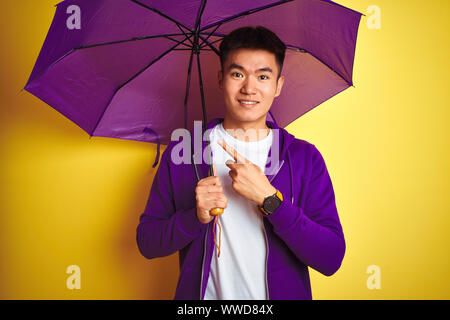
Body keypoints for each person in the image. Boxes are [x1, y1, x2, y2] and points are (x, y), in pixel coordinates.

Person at [136, 26, 345, 300]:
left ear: (278, 85)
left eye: (262, 76)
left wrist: (271, 201)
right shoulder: (183, 152)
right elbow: (148, 242)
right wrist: (194, 217)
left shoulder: (304, 158)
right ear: (221, 79)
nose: (249, 88)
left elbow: (330, 258)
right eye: (238, 74)